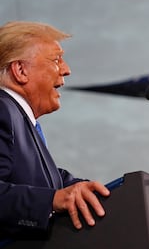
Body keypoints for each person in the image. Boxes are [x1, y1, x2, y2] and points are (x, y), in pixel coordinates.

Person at [0, 21, 110, 239]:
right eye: (56, 59)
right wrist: (52, 200)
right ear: (20, 70)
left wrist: (92, 192)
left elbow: (55, 182)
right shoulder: (3, 110)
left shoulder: (21, 122)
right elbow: (53, 193)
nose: (67, 70)